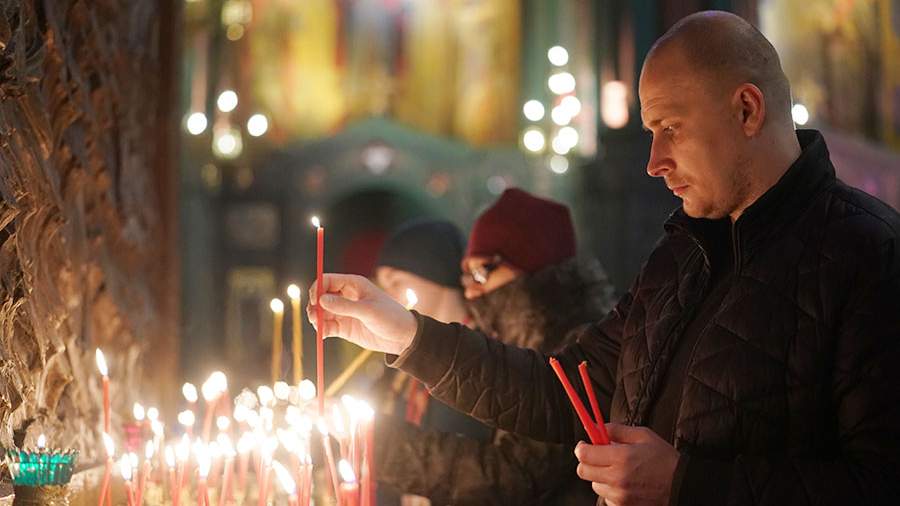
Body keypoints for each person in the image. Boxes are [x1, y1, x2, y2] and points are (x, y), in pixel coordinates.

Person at [310, 11, 900, 506]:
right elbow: (561, 390)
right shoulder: (682, 255)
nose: (654, 161)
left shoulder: (868, 255)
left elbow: (880, 481)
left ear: (747, 110)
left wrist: (683, 484)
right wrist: (407, 336)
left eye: (670, 127)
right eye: (649, 132)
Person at [374, 189, 617, 505]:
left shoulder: (578, 348)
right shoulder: (511, 342)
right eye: (467, 275)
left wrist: (384, 449)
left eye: (482, 271)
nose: (473, 291)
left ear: (531, 263)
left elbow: (515, 474)